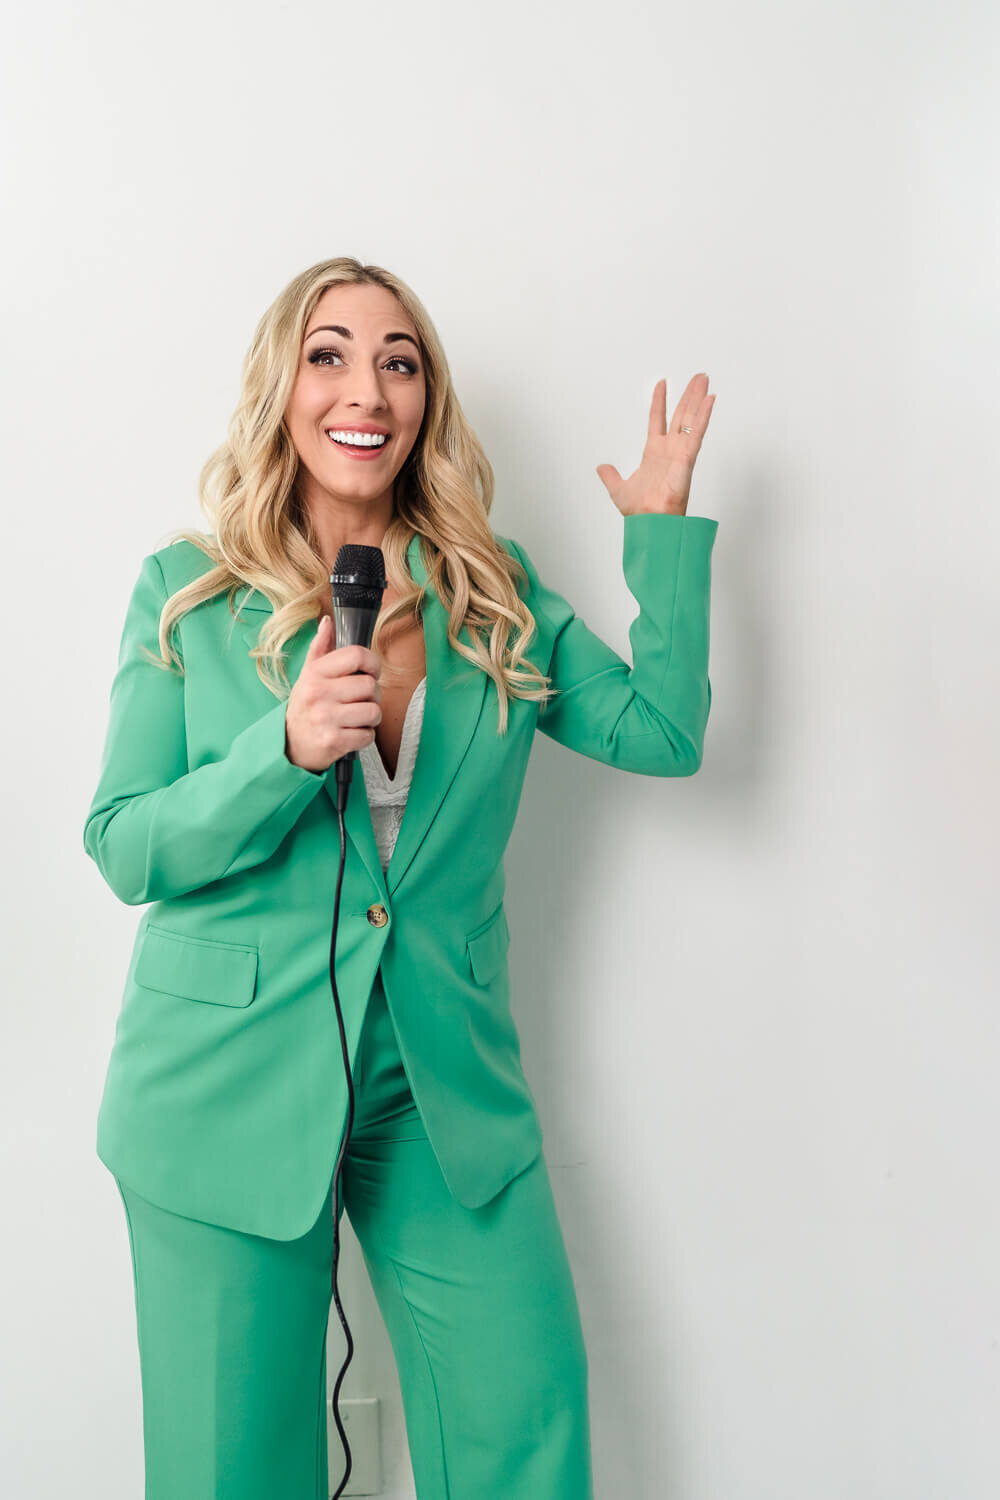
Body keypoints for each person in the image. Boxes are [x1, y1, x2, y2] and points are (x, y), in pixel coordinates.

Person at [83, 255, 719, 1500]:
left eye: (398, 357)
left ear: (424, 400)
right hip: (222, 1086)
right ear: (284, 387)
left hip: (437, 1084)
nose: (362, 385)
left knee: (521, 1433)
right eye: (328, 353)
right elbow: (124, 842)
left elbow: (662, 733)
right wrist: (281, 749)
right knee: (234, 1473)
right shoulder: (189, 596)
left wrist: (660, 539)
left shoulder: (494, 594)